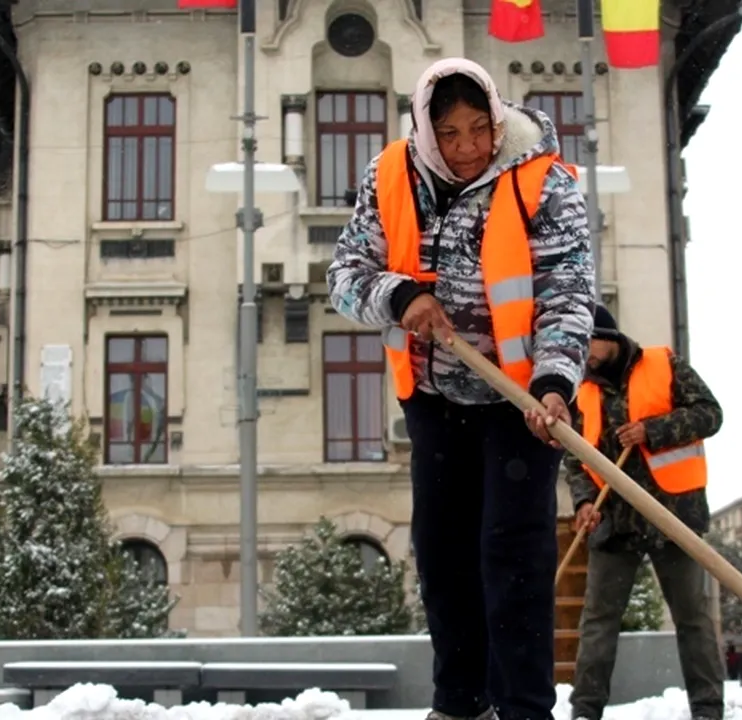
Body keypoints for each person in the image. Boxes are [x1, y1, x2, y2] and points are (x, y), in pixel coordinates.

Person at [327, 57, 595, 720]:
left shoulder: (544, 181)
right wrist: (401, 296)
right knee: (443, 557)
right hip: (436, 398)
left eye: (481, 128)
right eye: (450, 133)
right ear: (426, 129)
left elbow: (569, 293)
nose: (470, 146)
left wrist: (556, 381)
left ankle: (525, 709)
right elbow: (345, 276)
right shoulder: (391, 174)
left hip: (523, 402)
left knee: (513, 555)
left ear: (498, 119)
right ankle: (459, 703)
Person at [564, 305, 726, 720]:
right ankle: (585, 712)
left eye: (587, 343)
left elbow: (710, 414)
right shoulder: (581, 388)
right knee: (598, 622)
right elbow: (575, 457)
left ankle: (708, 711)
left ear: (609, 338)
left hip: (674, 515)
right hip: (614, 521)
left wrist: (651, 431)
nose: (583, 354)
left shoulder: (664, 364)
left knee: (693, 619)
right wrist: (583, 502)